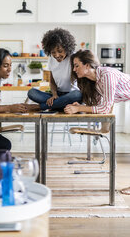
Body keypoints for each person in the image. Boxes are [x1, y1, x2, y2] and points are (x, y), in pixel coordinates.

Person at [64, 49, 130, 195]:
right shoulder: (95, 81)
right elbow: (99, 106)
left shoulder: (106, 74)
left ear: (87, 65)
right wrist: (79, 107)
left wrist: (80, 108)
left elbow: (105, 107)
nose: (74, 70)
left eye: (77, 65)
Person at [27, 28, 82, 111]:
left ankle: (42, 106)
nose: (56, 55)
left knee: (77, 95)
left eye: (60, 51)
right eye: (53, 52)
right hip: (58, 95)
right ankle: (60, 105)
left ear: (67, 48)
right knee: (31, 93)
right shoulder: (51, 59)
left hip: (71, 94)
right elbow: (52, 81)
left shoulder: (74, 57)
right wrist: (54, 95)